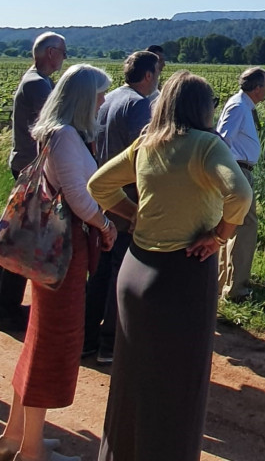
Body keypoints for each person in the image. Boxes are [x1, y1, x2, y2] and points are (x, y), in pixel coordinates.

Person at [87, 71, 252, 461]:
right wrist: (219, 235)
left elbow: (98, 186)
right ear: (203, 107)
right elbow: (240, 194)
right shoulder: (206, 147)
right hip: (184, 275)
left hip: (135, 270)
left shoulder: (146, 144)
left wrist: (132, 216)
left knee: (132, 380)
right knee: (179, 385)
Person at [0, 64, 117, 461]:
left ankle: (17, 436)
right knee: (52, 347)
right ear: (84, 98)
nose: (103, 102)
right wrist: (105, 225)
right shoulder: (67, 137)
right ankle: (31, 451)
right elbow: (81, 199)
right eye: (100, 95)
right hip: (64, 256)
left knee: (37, 340)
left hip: (53, 253)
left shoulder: (58, 133)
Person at [83, 50, 160, 365]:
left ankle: (87, 338)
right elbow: (145, 157)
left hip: (103, 195)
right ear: (147, 76)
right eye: (157, 72)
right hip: (125, 199)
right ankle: (111, 344)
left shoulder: (109, 98)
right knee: (121, 270)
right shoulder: (139, 105)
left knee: (100, 270)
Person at [2, 32, 68, 332]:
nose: (64, 58)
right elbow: (53, 124)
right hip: (31, 167)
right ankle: (7, 308)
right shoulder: (37, 84)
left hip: (25, 164)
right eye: (63, 52)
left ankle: (6, 304)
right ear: (50, 53)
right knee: (23, 240)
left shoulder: (37, 80)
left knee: (21, 235)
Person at [216, 67, 265, 301]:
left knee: (233, 225)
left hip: (237, 170)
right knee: (246, 226)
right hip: (238, 171)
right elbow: (222, 139)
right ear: (257, 88)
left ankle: (224, 283)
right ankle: (237, 289)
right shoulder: (239, 107)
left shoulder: (242, 105)